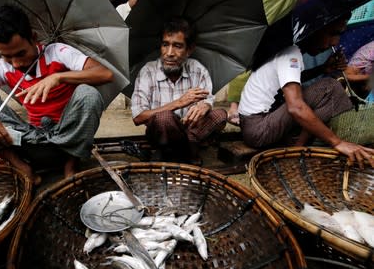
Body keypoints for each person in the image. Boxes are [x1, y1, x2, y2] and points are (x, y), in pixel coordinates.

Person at [0, 4, 114, 184]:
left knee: (88, 93)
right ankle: (20, 166)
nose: (16, 63)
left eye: (21, 53)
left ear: (33, 38)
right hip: (30, 141)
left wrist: (59, 77)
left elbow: (105, 74)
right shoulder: (1, 68)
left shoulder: (58, 52)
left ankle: (70, 165)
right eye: (7, 56)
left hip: (68, 142)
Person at [238, 15, 374, 168]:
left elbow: (289, 81)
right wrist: (338, 143)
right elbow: (295, 107)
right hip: (259, 128)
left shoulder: (290, 50)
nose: (334, 43)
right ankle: (298, 148)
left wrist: (322, 69)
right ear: (314, 29)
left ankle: (298, 145)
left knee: (328, 83)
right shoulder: (290, 53)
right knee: (329, 86)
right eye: (332, 33)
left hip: (256, 124)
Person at [131, 17, 227, 165]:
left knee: (220, 115)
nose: (169, 53)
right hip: (159, 134)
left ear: (189, 50)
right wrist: (179, 103)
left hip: (190, 131)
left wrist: (205, 106)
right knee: (165, 118)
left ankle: (180, 151)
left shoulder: (198, 69)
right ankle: (188, 152)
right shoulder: (148, 71)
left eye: (177, 46)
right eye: (165, 45)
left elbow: (207, 100)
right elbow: (138, 117)